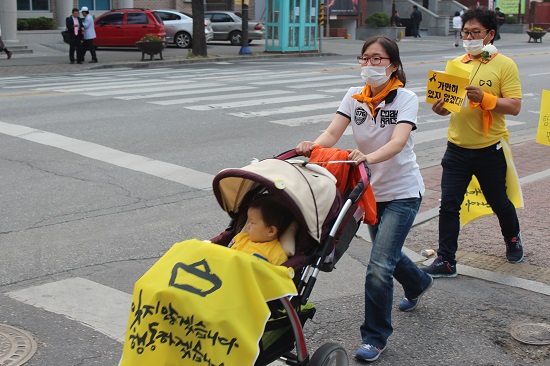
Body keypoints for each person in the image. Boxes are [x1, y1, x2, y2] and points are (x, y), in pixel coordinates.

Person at [296, 36, 433, 363]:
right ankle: (419, 282)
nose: (370, 65)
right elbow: (332, 133)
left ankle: (375, 336)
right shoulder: (353, 97)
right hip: (370, 193)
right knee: (388, 256)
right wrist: (310, 148)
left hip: (402, 192)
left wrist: (366, 158)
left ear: (394, 65)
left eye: (378, 59)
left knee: (379, 266)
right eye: (366, 58)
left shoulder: (406, 98)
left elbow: (399, 141)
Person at [423, 6, 523, 278]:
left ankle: (512, 238)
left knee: (499, 201)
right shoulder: (456, 64)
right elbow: (448, 104)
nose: (469, 37)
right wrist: (441, 108)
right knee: (449, 205)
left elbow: (514, 106)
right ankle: (446, 260)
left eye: (475, 32)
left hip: (490, 149)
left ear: (490, 34)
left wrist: (486, 99)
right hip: (456, 149)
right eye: (466, 32)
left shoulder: (505, 65)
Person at [230, 195, 292, 266]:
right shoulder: (240, 238)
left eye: (252, 222)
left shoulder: (276, 255)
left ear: (271, 231)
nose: (247, 226)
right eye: (248, 221)